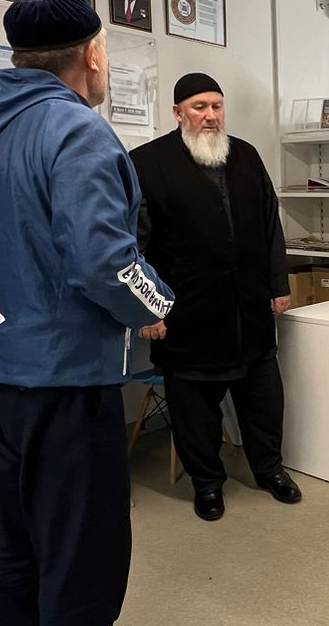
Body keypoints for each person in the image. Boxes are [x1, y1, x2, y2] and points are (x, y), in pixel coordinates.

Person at [0, 0, 188, 626]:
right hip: (63, 376)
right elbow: (106, 261)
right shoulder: (75, 129)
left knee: (20, 532)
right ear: (92, 54)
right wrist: (158, 304)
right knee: (83, 550)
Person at [128, 73, 303, 521]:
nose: (210, 116)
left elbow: (270, 224)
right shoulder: (147, 162)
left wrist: (279, 285)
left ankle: (270, 469)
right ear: (178, 113)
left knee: (263, 401)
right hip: (188, 314)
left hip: (249, 309)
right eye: (199, 107)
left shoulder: (245, 155)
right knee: (195, 411)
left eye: (216, 106)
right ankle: (207, 484)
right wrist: (146, 309)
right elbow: (134, 245)